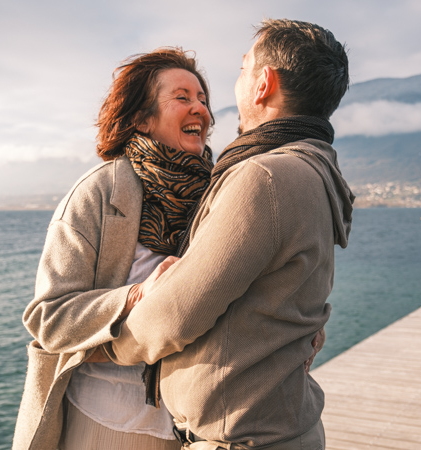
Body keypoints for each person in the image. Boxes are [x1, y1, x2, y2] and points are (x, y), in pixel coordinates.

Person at [105, 19, 355, 449]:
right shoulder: (316, 169)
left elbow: (176, 312)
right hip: (280, 426)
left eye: (242, 69)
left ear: (263, 83)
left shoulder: (266, 177)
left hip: (241, 437)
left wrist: (105, 348)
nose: (232, 86)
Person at [12, 48, 216, 450]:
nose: (201, 110)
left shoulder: (219, 192)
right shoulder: (97, 194)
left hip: (197, 427)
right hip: (109, 423)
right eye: (183, 98)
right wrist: (135, 296)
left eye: (204, 100)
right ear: (141, 117)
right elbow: (48, 319)